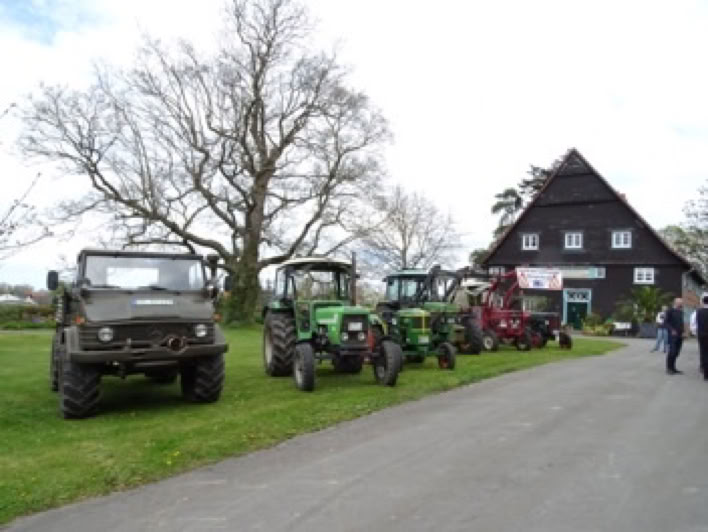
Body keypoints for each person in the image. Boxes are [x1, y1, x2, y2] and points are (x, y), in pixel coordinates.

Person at [690, 293, 708, 380]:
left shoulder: (697, 312)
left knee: (704, 353)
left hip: (702, 335)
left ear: (703, 302)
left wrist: (695, 333)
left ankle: (705, 374)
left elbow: (693, 324)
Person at [664, 297, 685, 375]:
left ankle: (673, 368)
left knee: (676, 352)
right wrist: (671, 330)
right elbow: (666, 322)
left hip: (680, 335)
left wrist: (683, 332)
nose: (681, 304)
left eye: (681, 302)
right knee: (672, 352)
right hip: (672, 335)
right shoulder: (670, 311)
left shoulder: (681, 311)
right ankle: (669, 368)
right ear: (675, 302)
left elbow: (681, 323)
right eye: (680, 302)